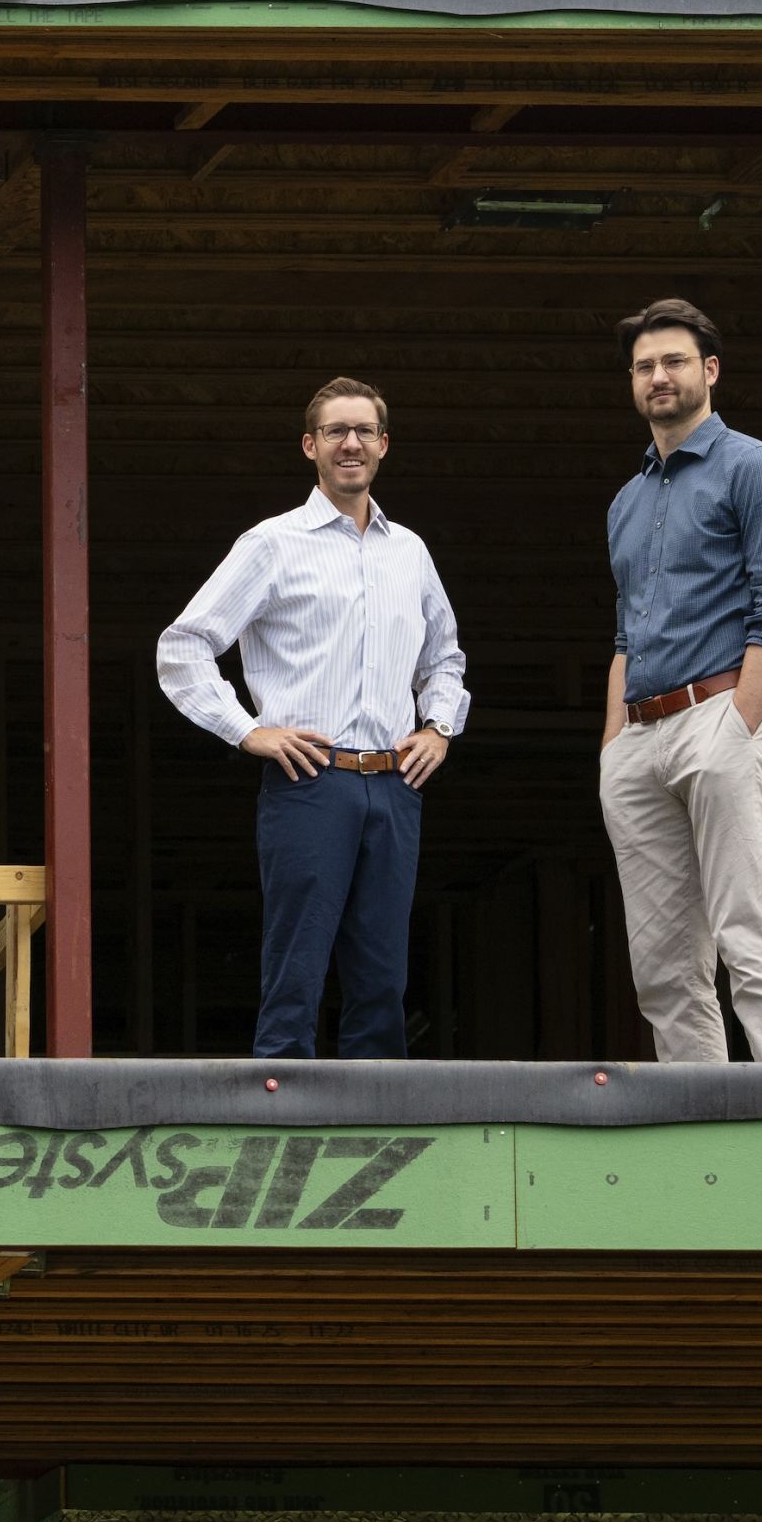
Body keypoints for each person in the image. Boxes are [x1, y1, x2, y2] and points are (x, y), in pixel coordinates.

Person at [156, 377, 470, 1060]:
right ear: (310, 445)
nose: (350, 443)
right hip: (310, 779)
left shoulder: (409, 551)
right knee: (297, 965)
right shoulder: (272, 543)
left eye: (363, 431)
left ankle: (378, 1122)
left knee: (383, 973)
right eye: (335, 431)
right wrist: (247, 730)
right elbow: (182, 646)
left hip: (394, 783)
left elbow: (444, 657)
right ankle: (282, 1118)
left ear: (384, 445)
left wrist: (439, 727)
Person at [599, 297, 762, 1063]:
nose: (659, 376)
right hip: (641, 734)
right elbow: (627, 629)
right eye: (645, 366)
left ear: (710, 370)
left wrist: (738, 726)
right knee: (661, 965)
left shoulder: (754, 467)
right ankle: (701, 1136)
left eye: (675, 361)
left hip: (724, 712)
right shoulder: (628, 501)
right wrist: (612, 746)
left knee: (748, 931)